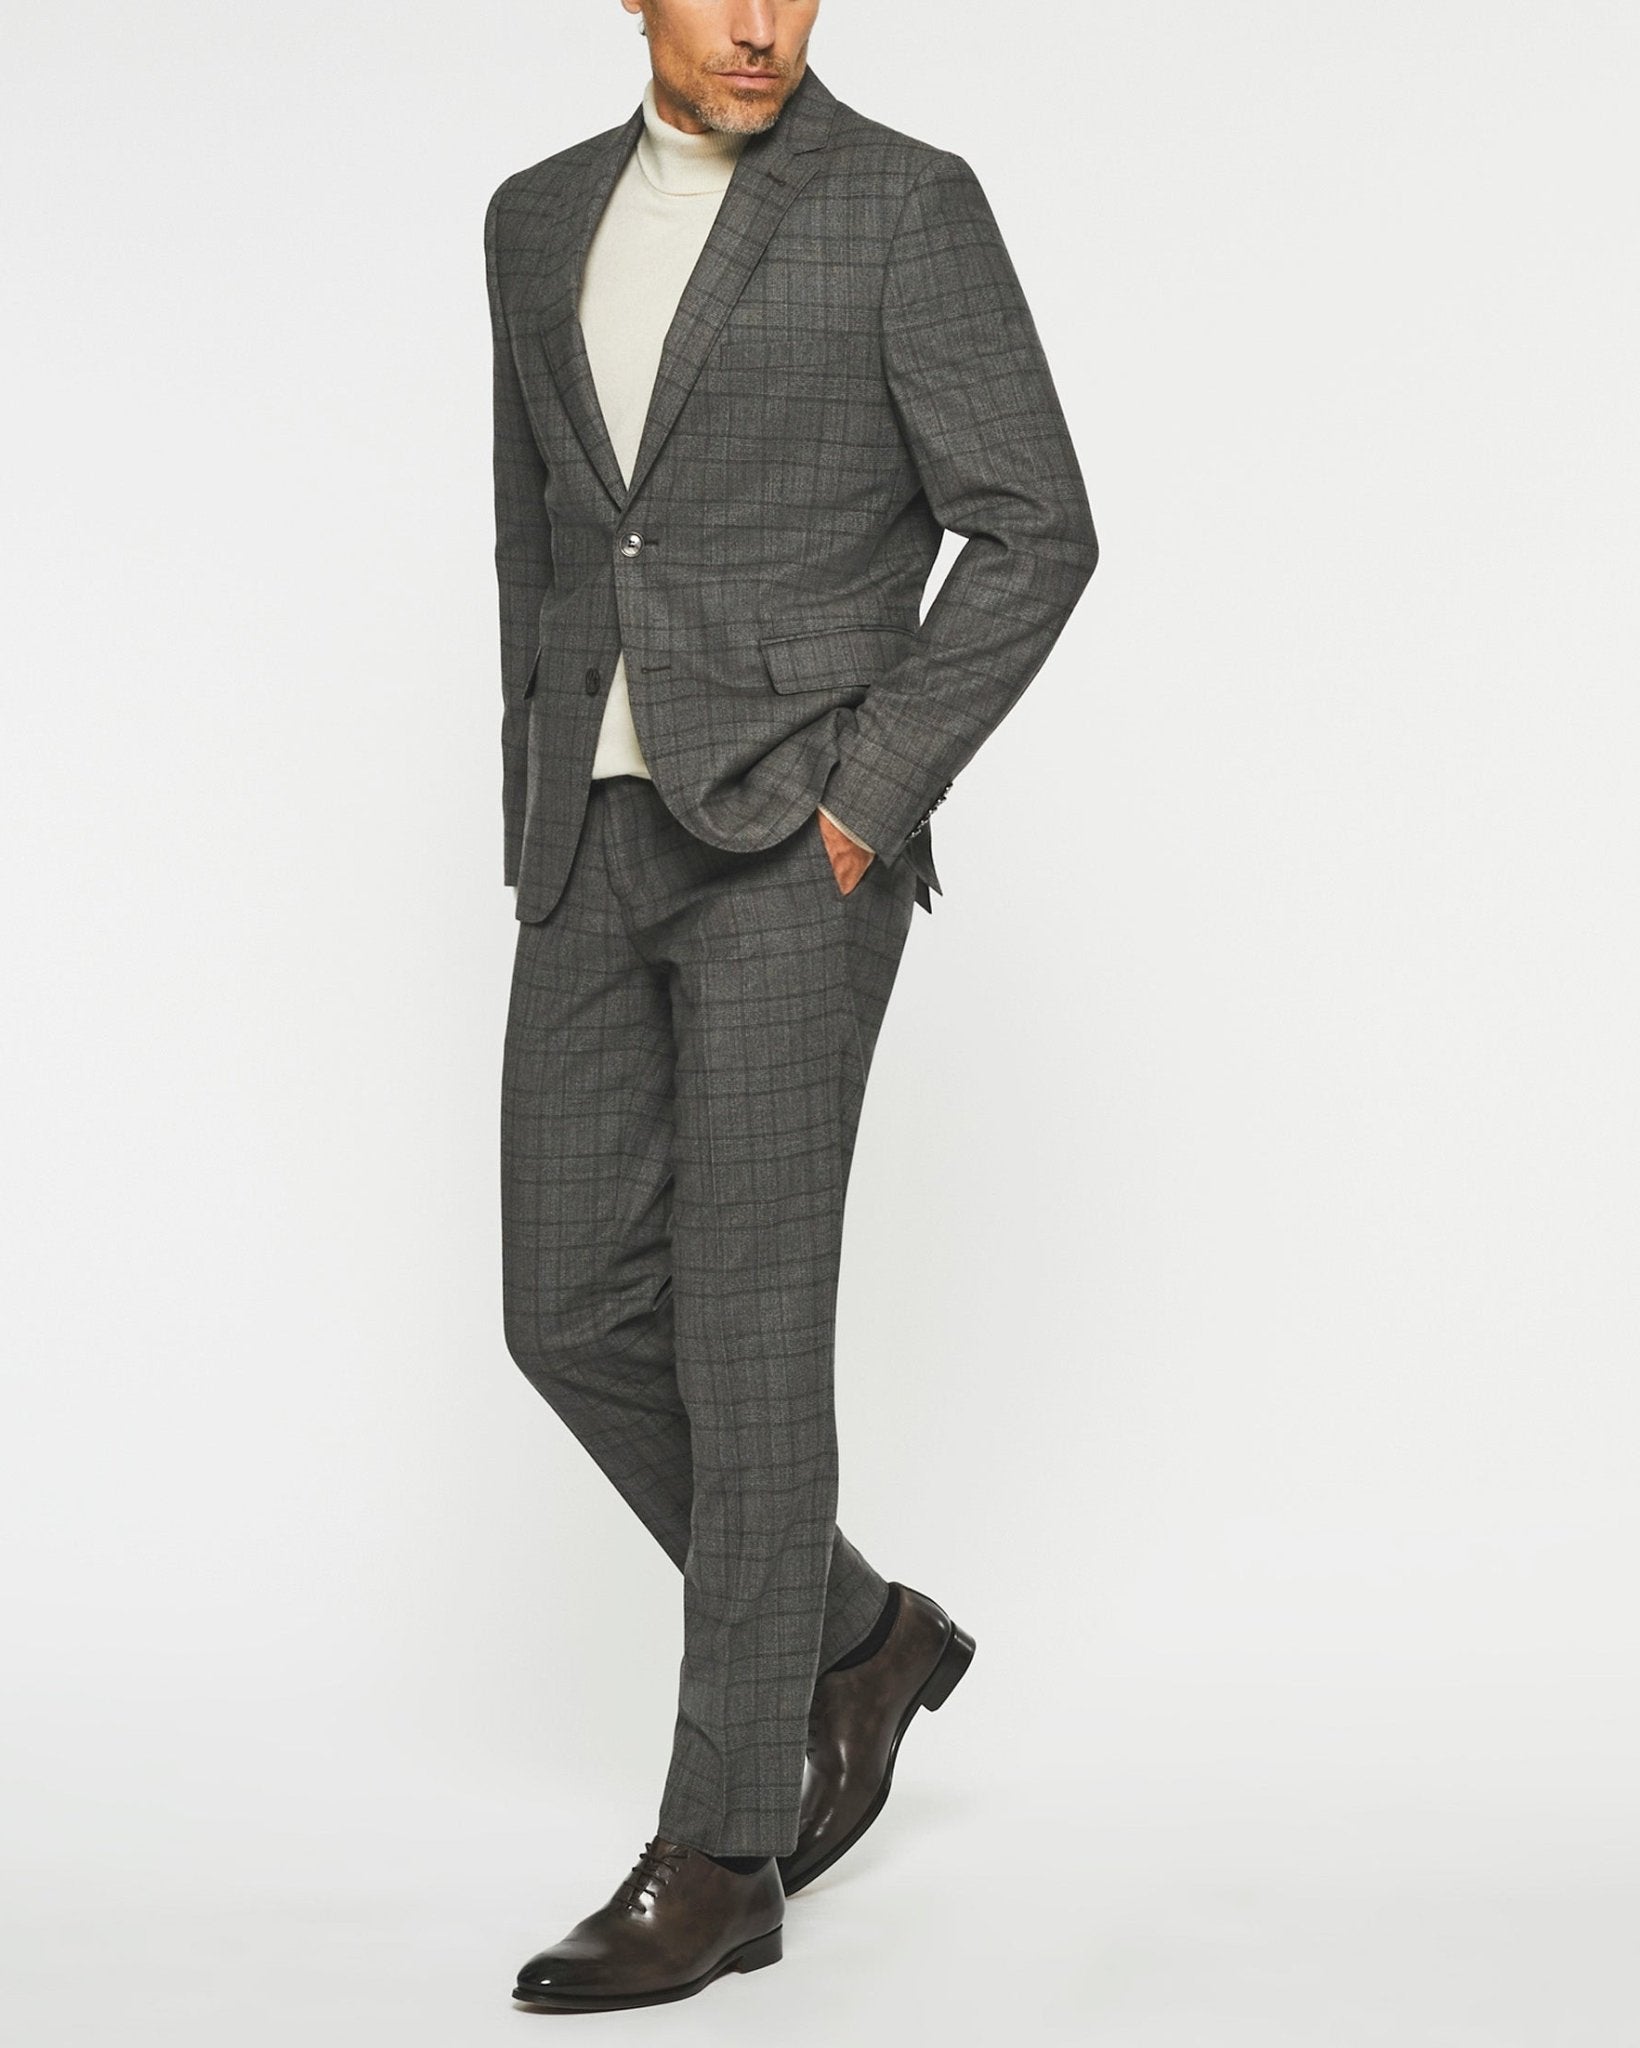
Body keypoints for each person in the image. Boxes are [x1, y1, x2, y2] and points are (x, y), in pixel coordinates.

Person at [485, 0, 1097, 2012]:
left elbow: (1036, 527)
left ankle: (722, 1846)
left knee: (747, 1348)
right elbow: (543, 536)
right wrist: (536, 785)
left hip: (792, 852)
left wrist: (862, 811)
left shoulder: (903, 208)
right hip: (592, 835)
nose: (759, 23)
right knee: (567, 1308)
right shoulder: (532, 217)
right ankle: (856, 1635)